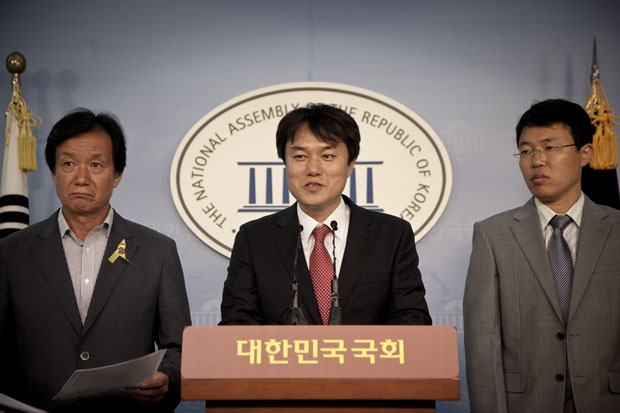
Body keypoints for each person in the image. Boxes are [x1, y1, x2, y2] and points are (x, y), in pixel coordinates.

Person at [0, 109, 191, 412]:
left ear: (117, 175)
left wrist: (165, 377)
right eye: (68, 164)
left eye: (96, 165)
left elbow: (180, 349)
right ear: (53, 173)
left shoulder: (158, 252)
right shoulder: (11, 253)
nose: (81, 178)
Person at [464, 99, 620, 412]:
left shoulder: (616, 229)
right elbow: (483, 343)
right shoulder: (492, 234)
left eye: (550, 147)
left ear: (585, 154)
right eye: (526, 151)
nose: (537, 161)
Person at [220, 103, 431, 325]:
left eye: (328, 156)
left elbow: (412, 319)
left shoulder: (392, 235)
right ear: (285, 163)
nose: (313, 169)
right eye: (300, 156)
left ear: (350, 165)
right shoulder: (254, 238)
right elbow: (237, 323)